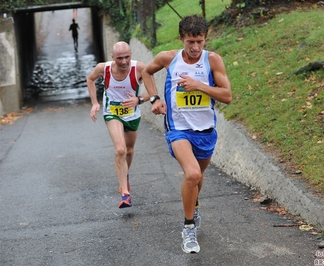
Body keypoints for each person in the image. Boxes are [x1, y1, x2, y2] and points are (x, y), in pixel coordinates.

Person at [142, 14, 232, 253]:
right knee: (192, 174)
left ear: (205, 40)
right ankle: (188, 227)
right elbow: (146, 73)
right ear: (181, 38)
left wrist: (199, 85)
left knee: (198, 177)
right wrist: (155, 98)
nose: (195, 47)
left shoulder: (212, 61)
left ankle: (194, 205)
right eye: (190, 41)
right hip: (178, 129)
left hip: (205, 131)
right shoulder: (168, 58)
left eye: (200, 42)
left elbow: (227, 96)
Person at [87, 41, 148, 209]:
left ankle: (125, 175)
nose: (124, 62)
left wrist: (139, 99)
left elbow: (152, 92)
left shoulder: (139, 68)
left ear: (131, 55)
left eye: (127, 57)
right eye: (119, 58)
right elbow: (90, 79)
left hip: (132, 114)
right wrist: (94, 103)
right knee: (120, 149)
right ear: (112, 57)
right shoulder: (103, 68)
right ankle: (125, 194)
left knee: (129, 150)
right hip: (112, 112)